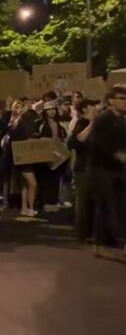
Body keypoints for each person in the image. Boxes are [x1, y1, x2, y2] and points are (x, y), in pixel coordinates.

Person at [88, 86, 126, 261]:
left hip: (118, 170)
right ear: (111, 100)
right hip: (101, 170)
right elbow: (99, 144)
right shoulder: (103, 119)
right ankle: (101, 244)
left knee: (120, 205)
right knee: (106, 205)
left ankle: (113, 242)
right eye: (121, 98)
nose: (125, 102)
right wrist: (117, 154)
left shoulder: (122, 120)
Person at [67, 99, 98, 241]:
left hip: (95, 166)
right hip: (83, 167)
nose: (95, 108)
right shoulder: (81, 123)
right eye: (92, 106)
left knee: (93, 201)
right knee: (83, 202)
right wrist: (92, 123)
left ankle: (93, 232)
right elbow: (79, 139)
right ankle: (83, 233)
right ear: (85, 109)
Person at [9, 99, 39, 217]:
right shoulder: (15, 123)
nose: (20, 109)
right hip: (22, 155)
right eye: (17, 107)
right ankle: (30, 207)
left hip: (26, 154)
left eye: (21, 106)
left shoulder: (25, 120)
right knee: (33, 183)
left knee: (25, 184)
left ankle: (24, 207)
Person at [35, 101, 67, 212]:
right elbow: (37, 137)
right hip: (45, 154)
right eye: (49, 110)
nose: (52, 112)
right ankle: (45, 202)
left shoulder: (58, 124)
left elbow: (62, 137)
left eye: (53, 109)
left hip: (56, 154)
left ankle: (53, 201)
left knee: (55, 178)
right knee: (45, 178)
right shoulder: (40, 123)